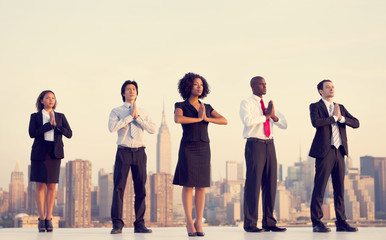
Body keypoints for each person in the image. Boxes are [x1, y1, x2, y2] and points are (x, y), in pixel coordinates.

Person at [173, 72, 227, 237]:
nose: (199, 87)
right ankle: (189, 221)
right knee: (188, 185)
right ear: (188, 86)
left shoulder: (207, 107)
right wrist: (198, 119)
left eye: (201, 84)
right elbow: (178, 119)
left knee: (201, 186)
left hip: (203, 147)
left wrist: (207, 118)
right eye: (196, 84)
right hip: (188, 147)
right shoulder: (180, 105)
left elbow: (224, 120)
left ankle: (198, 222)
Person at [309, 80, 359, 232]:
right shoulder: (315, 106)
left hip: (340, 152)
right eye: (327, 87)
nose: (331, 89)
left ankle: (341, 222)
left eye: (332, 87)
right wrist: (333, 118)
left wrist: (341, 118)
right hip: (324, 151)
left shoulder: (340, 108)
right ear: (320, 91)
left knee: (340, 188)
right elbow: (316, 122)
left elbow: (356, 123)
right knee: (320, 188)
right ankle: (317, 223)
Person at [240, 76, 287, 233]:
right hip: (255, 144)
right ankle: (250, 224)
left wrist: (273, 116)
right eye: (261, 84)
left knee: (271, 184)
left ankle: (269, 222)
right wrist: (265, 117)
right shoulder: (246, 103)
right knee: (253, 184)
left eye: (266, 84)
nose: (265, 86)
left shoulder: (269, 105)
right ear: (253, 86)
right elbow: (247, 121)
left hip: (270, 145)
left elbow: (284, 124)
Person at [109, 80, 156, 234]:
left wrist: (138, 118)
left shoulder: (144, 111)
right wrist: (129, 117)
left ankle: (140, 224)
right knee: (118, 189)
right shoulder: (116, 111)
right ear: (123, 93)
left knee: (141, 189)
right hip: (123, 152)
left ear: (137, 92)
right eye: (128, 89)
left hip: (140, 152)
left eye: (134, 89)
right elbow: (112, 128)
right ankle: (117, 224)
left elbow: (153, 129)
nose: (131, 91)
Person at [29, 90, 72, 232]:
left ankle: (49, 217)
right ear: (41, 100)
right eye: (47, 98)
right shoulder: (35, 116)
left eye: (53, 98)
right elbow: (32, 133)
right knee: (40, 185)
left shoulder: (60, 116)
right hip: (39, 153)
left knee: (52, 186)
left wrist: (56, 126)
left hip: (54, 153)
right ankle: (41, 219)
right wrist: (48, 125)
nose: (50, 100)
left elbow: (69, 133)